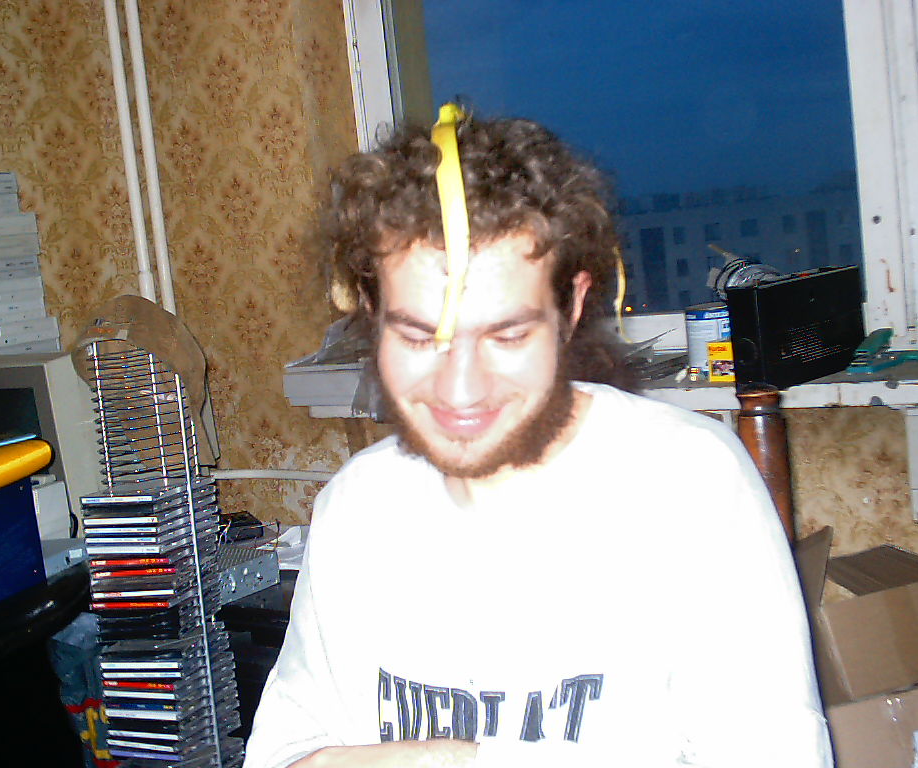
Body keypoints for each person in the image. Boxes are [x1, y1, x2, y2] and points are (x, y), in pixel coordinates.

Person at [243, 111, 832, 768]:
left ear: (571, 308)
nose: (460, 389)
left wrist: (462, 761)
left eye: (508, 336)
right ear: (373, 315)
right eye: (417, 337)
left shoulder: (692, 486)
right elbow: (288, 751)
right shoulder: (358, 504)